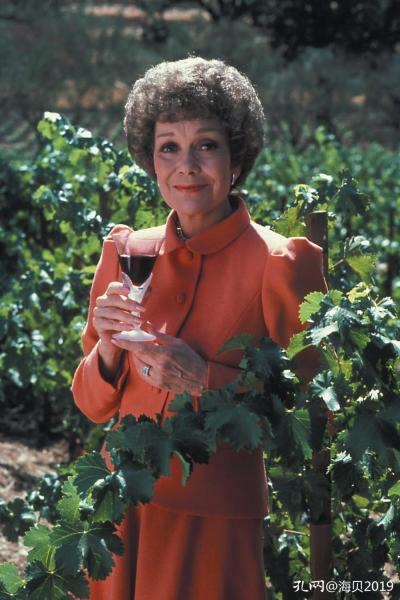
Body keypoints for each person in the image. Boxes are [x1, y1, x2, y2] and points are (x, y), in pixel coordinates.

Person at [71, 57, 327, 600]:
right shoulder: (128, 251)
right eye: (168, 146)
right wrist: (109, 351)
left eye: (206, 144)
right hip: (120, 504)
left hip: (212, 522)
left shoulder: (281, 263)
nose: (185, 165)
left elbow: (309, 413)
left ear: (237, 158)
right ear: (150, 159)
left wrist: (207, 378)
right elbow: (92, 405)